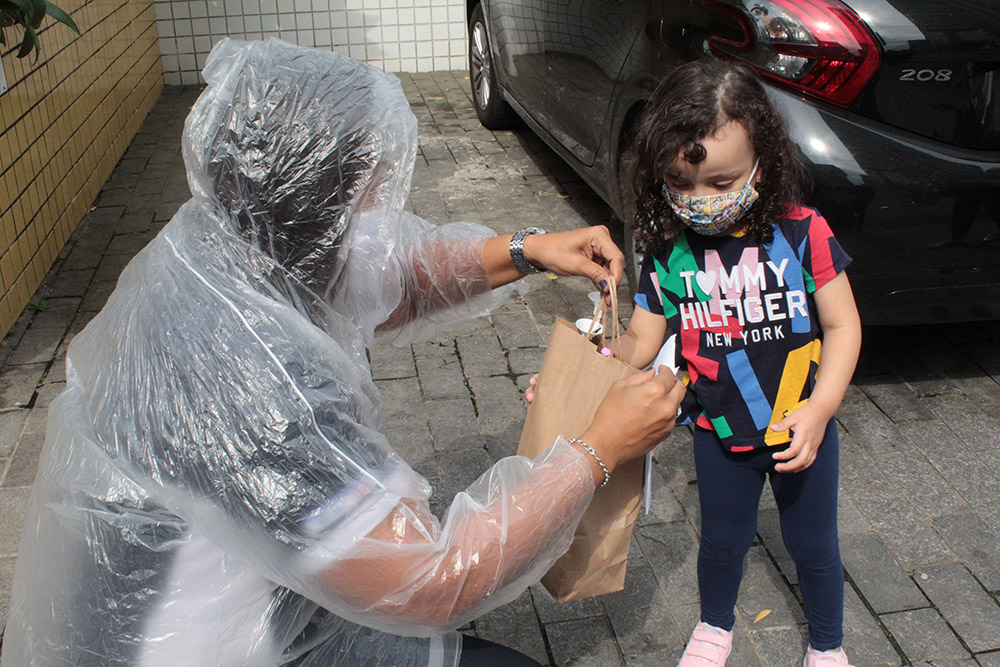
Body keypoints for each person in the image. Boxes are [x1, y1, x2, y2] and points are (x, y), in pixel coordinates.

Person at [1, 39, 685, 667]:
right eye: (373, 194)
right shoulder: (264, 394)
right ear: (316, 208)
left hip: (219, 596)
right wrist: (598, 449)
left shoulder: (220, 246)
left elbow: (394, 278)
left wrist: (526, 250)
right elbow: (433, 580)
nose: (386, 217)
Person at [618, 59, 862, 666]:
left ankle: (827, 644)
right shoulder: (667, 253)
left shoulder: (803, 234)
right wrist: (584, 363)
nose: (700, 201)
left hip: (802, 429)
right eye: (681, 184)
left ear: (764, 162)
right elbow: (640, 340)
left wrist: (821, 409)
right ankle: (714, 627)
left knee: (814, 546)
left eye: (722, 182)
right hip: (718, 431)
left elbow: (843, 326)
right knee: (722, 542)